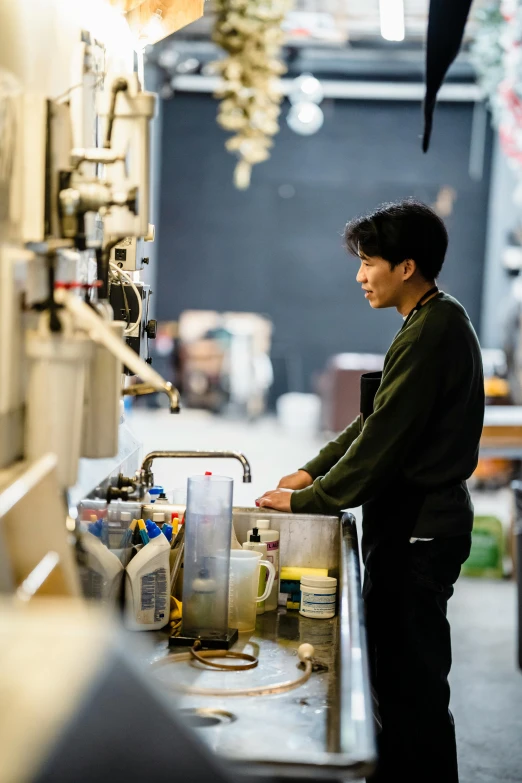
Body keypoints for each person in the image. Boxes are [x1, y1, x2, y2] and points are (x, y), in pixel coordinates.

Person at [257, 199, 484, 783]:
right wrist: (312, 472)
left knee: (413, 691)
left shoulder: (434, 329)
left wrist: (310, 502)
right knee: (398, 683)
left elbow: (384, 442)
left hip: (420, 531)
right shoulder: (428, 320)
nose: (360, 276)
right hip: (410, 525)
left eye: (369, 262)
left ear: (406, 266)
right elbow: (373, 420)